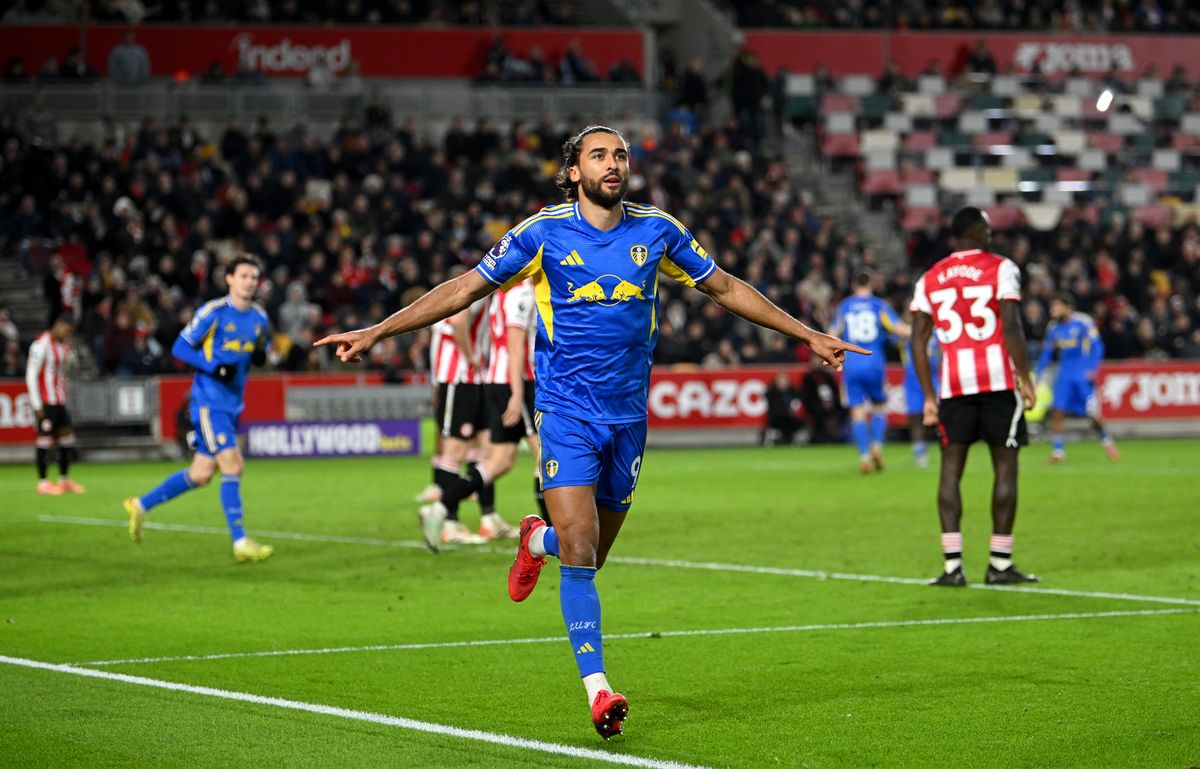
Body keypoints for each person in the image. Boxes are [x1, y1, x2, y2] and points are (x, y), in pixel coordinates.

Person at [315, 125, 867, 739]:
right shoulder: (541, 233)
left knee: (589, 554)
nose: (613, 164)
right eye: (599, 155)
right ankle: (599, 691)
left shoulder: (658, 229)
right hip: (565, 412)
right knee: (581, 550)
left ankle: (534, 541)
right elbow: (464, 289)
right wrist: (375, 332)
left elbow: (727, 287)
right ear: (573, 170)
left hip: (628, 417)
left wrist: (809, 335)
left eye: (620, 155)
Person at [910, 207, 1039, 588]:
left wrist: (930, 396)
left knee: (951, 471)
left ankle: (952, 568)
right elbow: (1011, 326)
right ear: (980, 232)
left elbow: (917, 340)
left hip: (953, 386)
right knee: (1006, 468)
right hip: (998, 382)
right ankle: (1000, 564)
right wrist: (1026, 379)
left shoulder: (930, 277)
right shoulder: (1002, 267)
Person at [124, 256, 274, 563]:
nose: (249, 281)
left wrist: (260, 355)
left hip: (233, 405)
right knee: (233, 465)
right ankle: (240, 542)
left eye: (254, 277)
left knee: (202, 473)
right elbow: (180, 347)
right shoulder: (214, 312)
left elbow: (262, 349)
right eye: (244, 275)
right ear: (229, 279)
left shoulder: (259, 318)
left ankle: (141, 505)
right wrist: (212, 367)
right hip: (209, 403)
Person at [430, 278, 542, 538]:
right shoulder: (512, 291)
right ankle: (449, 520)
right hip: (496, 380)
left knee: (497, 459)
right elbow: (511, 344)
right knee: (543, 455)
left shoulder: (500, 292)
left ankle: (465, 513)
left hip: (491, 379)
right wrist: (514, 391)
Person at [416, 293, 491, 548]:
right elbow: (459, 322)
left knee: (481, 450)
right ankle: (448, 522)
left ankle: (484, 517)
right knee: (455, 450)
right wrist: (471, 357)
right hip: (460, 378)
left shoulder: (459, 296)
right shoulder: (479, 290)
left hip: (464, 381)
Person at [830, 272, 910, 473]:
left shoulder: (845, 306)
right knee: (880, 406)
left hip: (851, 364)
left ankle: (864, 456)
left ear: (854, 285)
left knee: (857, 411)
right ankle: (877, 446)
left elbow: (831, 333)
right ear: (871, 285)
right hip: (873, 361)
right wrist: (920, 330)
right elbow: (898, 328)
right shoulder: (879, 305)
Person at [1035, 293, 1119, 464]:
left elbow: (1097, 346)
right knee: (1057, 412)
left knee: (1091, 415)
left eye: (1056, 306)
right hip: (1064, 375)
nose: (1053, 310)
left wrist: (1093, 368)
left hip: (1082, 375)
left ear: (1067, 307)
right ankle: (1058, 451)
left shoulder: (1083, 322)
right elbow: (1046, 353)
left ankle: (1106, 440)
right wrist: (1037, 374)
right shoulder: (1053, 328)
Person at [26, 314, 84, 495]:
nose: (68, 334)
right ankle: (43, 482)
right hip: (45, 402)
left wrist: (72, 351)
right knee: (44, 440)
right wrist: (37, 406)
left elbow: (73, 369)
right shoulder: (40, 344)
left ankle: (63, 480)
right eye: (67, 330)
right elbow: (31, 375)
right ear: (58, 325)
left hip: (60, 400)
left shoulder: (63, 346)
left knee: (67, 439)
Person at [901, 328, 941, 468]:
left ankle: (944, 448)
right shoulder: (907, 334)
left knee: (934, 417)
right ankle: (920, 454)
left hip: (933, 381)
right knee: (916, 418)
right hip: (913, 383)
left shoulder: (938, 334)